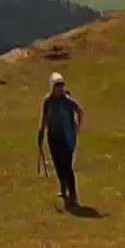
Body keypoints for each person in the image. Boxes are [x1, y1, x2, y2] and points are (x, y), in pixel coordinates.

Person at [37, 72, 84, 211]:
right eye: (57, 85)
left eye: (61, 85)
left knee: (67, 166)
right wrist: (41, 133)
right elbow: (44, 118)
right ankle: (63, 188)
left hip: (67, 138)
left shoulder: (67, 101)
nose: (59, 88)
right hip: (53, 137)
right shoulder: (48, 100)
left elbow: (80, 110)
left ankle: (73, 193)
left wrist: (77, 128)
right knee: (58, 164)